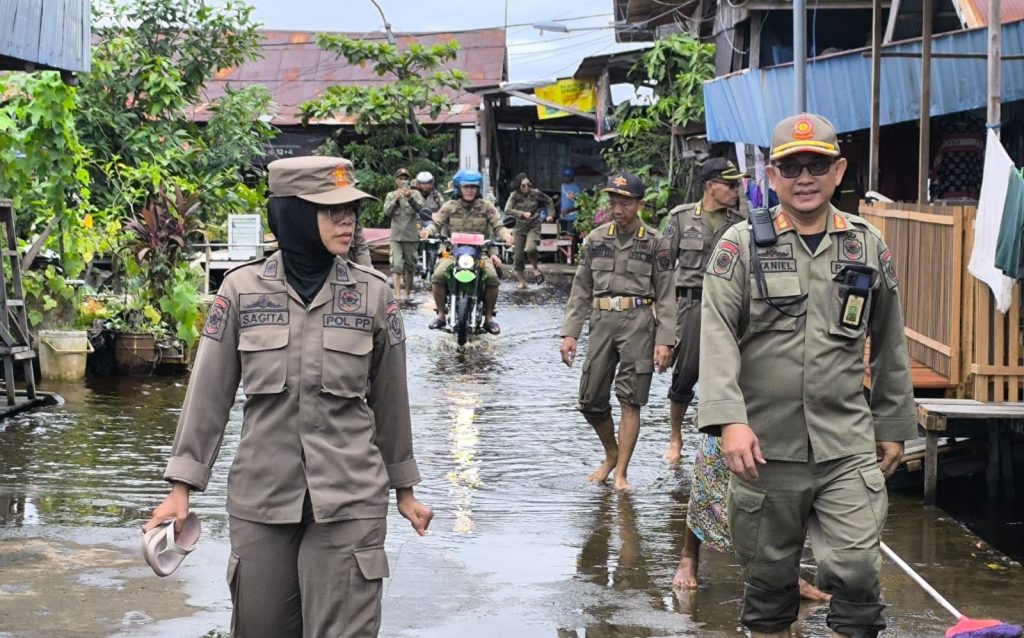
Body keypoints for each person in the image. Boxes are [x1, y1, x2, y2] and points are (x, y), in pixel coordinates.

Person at [143, 155, 433, 638]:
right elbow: (207, 397)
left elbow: (391, 400)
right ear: (294, 214)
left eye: (352, 210)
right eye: (331, 210)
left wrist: (405, 489)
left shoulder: (372, 295)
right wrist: (181, 489)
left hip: (350, 499)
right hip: (262, 497)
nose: (348, 221)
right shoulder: (241, 291)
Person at [698, 114, 916, 638]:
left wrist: (892, 424)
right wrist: (729, 421)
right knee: (770, 582)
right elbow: (717, 334)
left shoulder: (866, 245)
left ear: (838, 171)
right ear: (772, 176)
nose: (804, 178)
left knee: (859, 572)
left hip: (845, 441)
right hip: (765, 448)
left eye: (816, 165)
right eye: (791, 167)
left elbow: (888, 338)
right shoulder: (740, 244)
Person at [559, 172, 676, 491]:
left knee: (630, 398)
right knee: (590, 398)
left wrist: (665, 339)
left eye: (624, 203)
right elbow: (580, 287)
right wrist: (570, 332)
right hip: (601, 321)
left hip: (638, 321)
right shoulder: (596, 239)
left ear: (639, 204)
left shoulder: (655, 242)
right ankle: (611, 453)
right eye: (613, 203)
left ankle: (621, 472)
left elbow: (666, 293)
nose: (617, 208)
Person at [663, 158, 748, 464]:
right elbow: (661, 270)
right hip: (691, 304)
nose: (736, 190)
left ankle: (723, 437)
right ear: (710, 186)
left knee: (734, 371)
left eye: (738, 184)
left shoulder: (741, 221)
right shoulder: (681, 219)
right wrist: (662, 325)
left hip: (729, 304)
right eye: (730, 184)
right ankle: (675, 436)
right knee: (686, 373)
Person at [419, 169, 513, 334]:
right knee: (438, 275)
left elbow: (498, 225)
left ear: (478, 189)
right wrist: (428, 231)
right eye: (466, 186)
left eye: (473, 187)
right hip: (453, 253)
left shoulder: (487, 207)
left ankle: (489, 317)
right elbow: (436, 222)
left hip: (479, 253)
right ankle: (441, 315)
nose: (470, 190)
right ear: (458, 188)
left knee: (492, 277)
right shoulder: (449, 207)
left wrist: (507, 236)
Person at [504, 172, 553, 289]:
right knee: (518, 256)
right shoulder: (514, 195)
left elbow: (549, 201)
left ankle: (535, 268)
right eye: (523, 185)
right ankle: (522, 281)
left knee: (531, 248)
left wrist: (550, 214)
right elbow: (507, 210)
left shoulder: (535, 193)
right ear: (518, 186)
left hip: (534, 225)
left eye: (528, 185)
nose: (526, 188)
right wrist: (521, 214)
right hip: (519, 226)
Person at [384, 167, 424, 299]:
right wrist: (396, 200)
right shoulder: (391, 195)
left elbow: (420, 208)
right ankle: (397, 295)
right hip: (396, 236)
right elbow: (387, 213)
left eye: (406, 179)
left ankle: (407, 293)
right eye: (401, 179)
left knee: (410, 266)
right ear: (396, 181)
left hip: (411, 236)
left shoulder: (416, 194)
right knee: (396, 265)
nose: (403, 181)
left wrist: (410, 197)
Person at [559, 166, 582, 235]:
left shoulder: (577, 188)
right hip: (563, 217)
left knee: (571, 237)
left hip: (573, 218)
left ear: (572, 176)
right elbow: (562, 199)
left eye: (568, 176)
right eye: (564, 176)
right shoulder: (563, 186)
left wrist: (568, 210)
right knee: (562, 237)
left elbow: (580, 205)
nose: (565, 178)